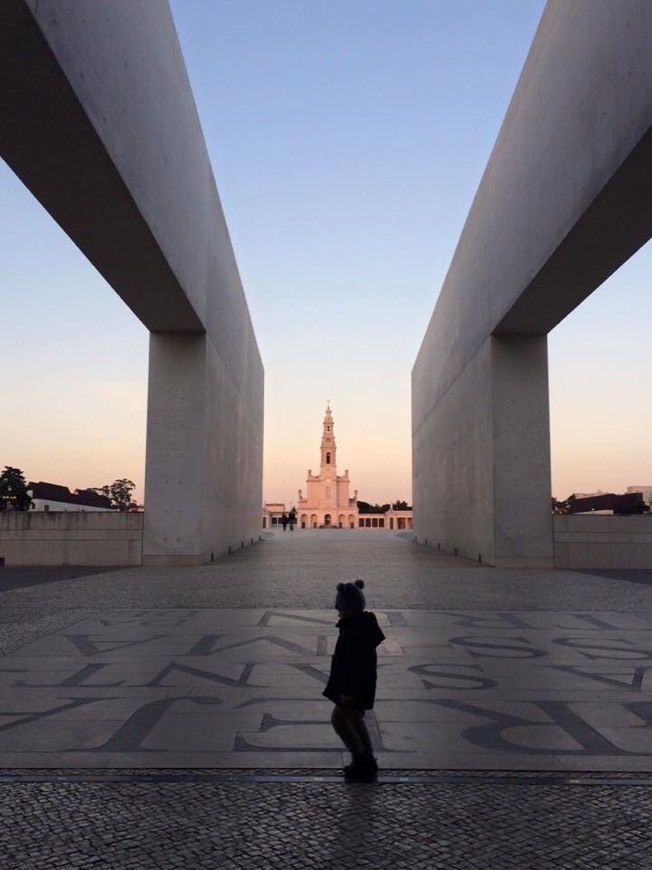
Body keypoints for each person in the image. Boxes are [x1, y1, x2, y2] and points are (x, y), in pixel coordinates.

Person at [323, 579, 385, 781]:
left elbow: (355, 666)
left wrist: (347, 691)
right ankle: (367, 760)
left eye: (339, 606)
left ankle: (360, 758)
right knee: (355, 719)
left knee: (339, 720)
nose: (337, 610)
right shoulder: (359, 626)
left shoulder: (354, 632)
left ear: (349, 608)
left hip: (355, 688)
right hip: (362, 686)